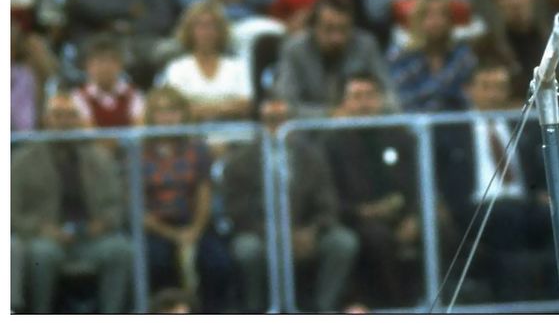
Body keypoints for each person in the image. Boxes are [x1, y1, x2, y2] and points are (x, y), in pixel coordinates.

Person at [222, 95, 359, 313]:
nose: (277, 126)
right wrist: (274, 234)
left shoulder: (313, 156)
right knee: (247, 250)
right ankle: (255, 310)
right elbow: (236, 212)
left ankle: (324, 308)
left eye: (282, 119)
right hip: (259, 233)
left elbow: (328, 203)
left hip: (305, 231)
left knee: (343, 242)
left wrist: (312, 231)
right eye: (270, 119)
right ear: (260, 123)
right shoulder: (239, 161)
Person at [433, 62, 554, 301]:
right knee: (507, 218)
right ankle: (514, 302)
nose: (494, 94)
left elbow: (539, 171)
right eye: (486, 87)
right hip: (475, 206)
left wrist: (543, 192)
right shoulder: (450, 130)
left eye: (500, 87)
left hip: (523, 203)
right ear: (469, 90)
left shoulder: (523, 125)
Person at [11, 91, 133, 314]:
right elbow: (11, 211)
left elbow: (116, 204)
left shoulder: (99, 158)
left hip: (91, 237)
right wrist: (41, 228)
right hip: (44, 237)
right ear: (45, 120)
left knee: (121, 250)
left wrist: (104, 223)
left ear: (79, 120)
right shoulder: (22, 161)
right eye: (58, 115)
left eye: (70, 115)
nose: (64, 122)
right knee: (43, 255)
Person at [325, 73, 423, 307]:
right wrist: (363, 212)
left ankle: (442, 298)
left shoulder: (399, 136)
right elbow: (328, 195)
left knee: (437, 225)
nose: (364, 103)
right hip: (357, 218)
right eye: (357, 97)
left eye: (370, 96)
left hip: (401, 213)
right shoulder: (331, 143)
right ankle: (396, 306)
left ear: (380, 100)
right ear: (344, 103)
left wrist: (413, 216)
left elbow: (417, 181)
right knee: (377, 238)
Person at [142, 87, 232, 313]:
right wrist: (172, 235)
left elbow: (204, 194)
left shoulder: (198, 150)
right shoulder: (139, 151)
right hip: (156, 228)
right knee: (157, 261)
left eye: (172, 111)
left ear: (183, 114)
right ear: (151, 116)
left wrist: (194, 231)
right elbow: (136, 205)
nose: (167, 117)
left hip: (194, 224)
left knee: (218, 262)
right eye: (160, 111)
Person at [274, 0, 393, 116]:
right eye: (329, 29)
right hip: (311, 130)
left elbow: (390, 97)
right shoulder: (294, 51)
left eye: (343, 29)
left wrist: (366, 108)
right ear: (313, 27)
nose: (337, 38)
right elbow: (285, 105)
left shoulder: (366, 46)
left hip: (360, 127)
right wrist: (330, 114)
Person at [159, 0, 253, 124]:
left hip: (234, 134)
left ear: (220, 30)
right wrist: (225, 107)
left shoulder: (237, 66)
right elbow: (175, 108)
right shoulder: (177, 68)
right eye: (200, 26)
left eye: (212, 25)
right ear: (190, 30)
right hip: (190, 136)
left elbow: (246, 106)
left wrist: (199, 107)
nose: (206, 32)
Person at [388, 0, 477, 112]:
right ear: (417, 20)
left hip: (459, 122)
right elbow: (403, 99)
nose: (436, 21)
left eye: (442, 15)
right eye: (429, 15)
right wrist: (447, 90)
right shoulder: (400, 56)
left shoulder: (462, 55)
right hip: (415, 124)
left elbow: (470, 98)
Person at [72, 36, 146, 128]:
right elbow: (87, 133)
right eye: (100, 62)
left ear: (120, 65)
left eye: (110, 61)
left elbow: (139, 130)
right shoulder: (78, 97)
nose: (105, 67)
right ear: (88, 66)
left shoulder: (134, 95)